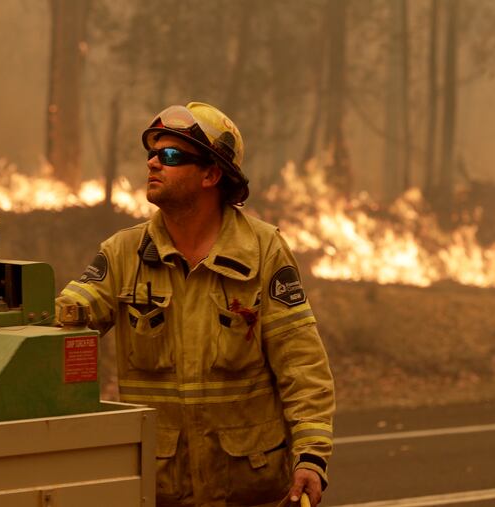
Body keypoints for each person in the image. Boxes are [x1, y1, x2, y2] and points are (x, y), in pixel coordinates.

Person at [57, 102, 335, 506]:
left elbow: (302, 363)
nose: (153, 163)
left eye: (170, 156)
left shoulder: (263, 251)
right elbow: (63, 324)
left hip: (249, 491)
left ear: (211, 173)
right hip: (159, 488)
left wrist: (311, 456)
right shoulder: (123, 254)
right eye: (151, 154)